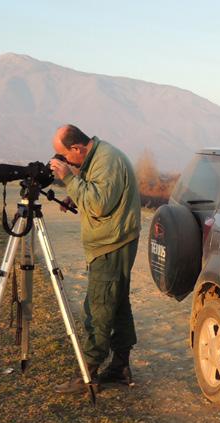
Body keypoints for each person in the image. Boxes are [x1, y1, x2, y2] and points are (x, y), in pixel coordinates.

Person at [49, 124, 141, 393]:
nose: (65, 161)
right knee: (117, 303)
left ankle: (88, 373)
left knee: (99, 307)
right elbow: (98, 193)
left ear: (77, 148)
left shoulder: (107, 160)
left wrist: (68, 178)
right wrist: (74, 196)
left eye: (65, 156)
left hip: (111, 243)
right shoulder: (99, 157)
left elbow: (100, 203)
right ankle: (120, 367)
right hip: (116, 239)